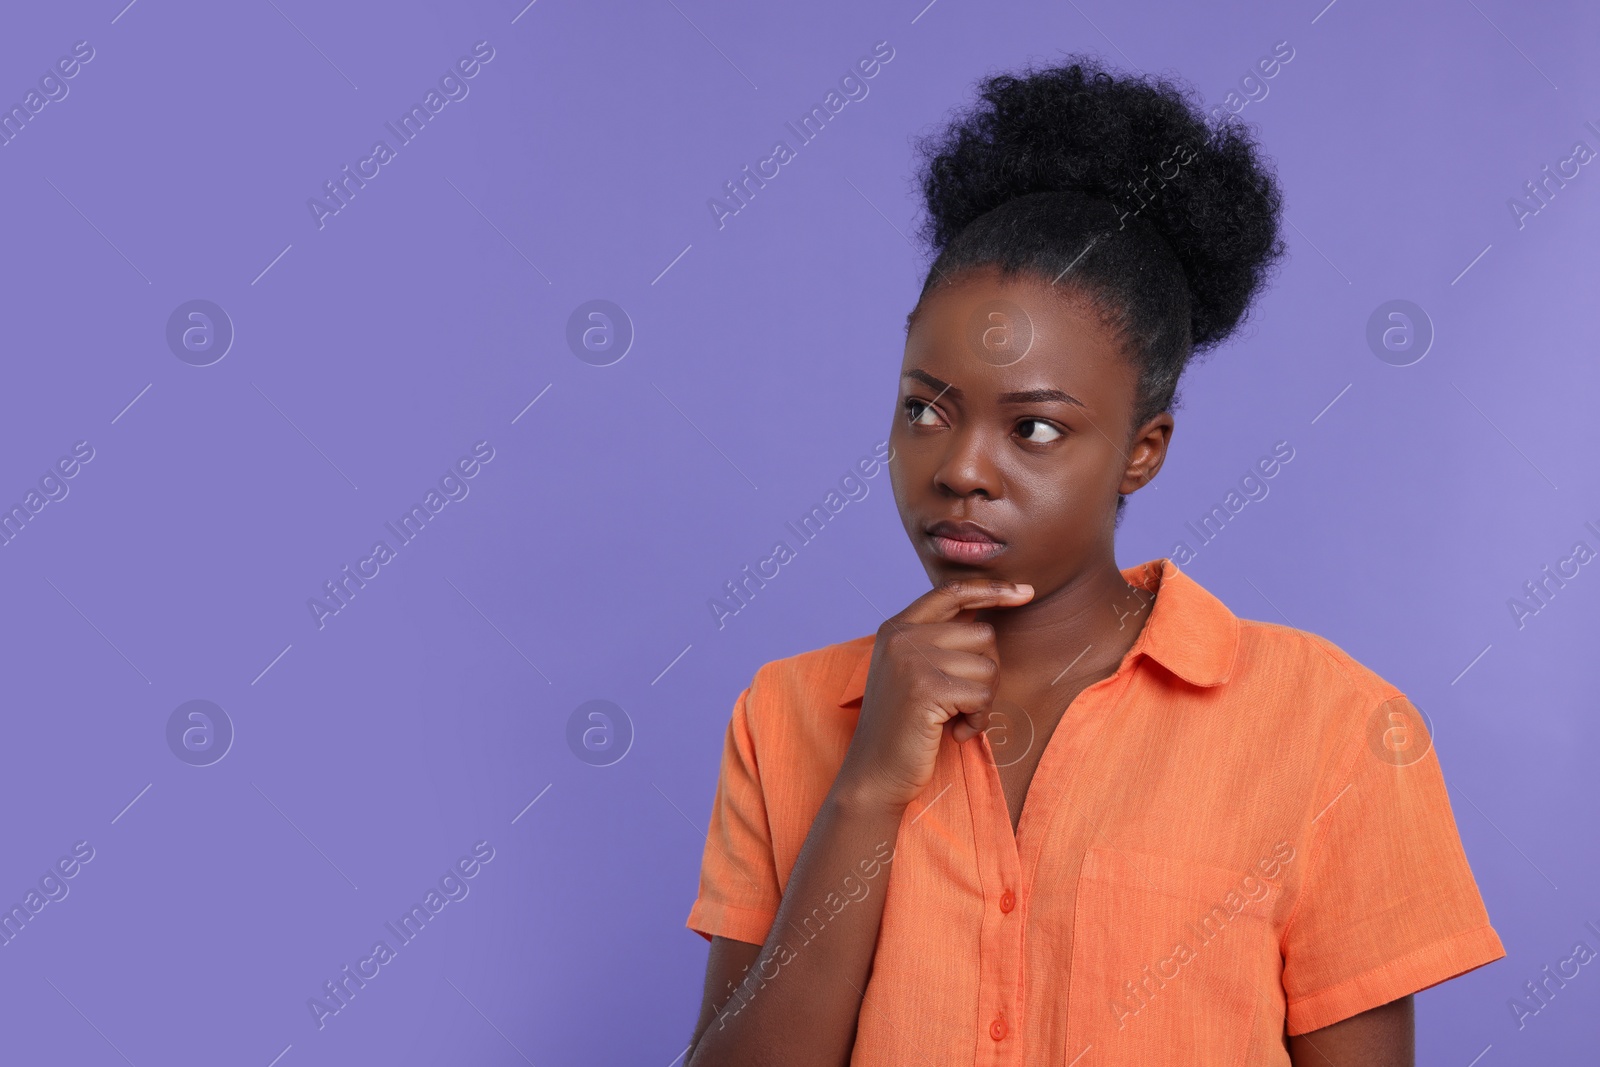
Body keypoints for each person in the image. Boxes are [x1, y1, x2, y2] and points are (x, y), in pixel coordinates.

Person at [682, 54, 1504, 1066]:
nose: (961, 468)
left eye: (1032, 429)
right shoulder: (788, 712)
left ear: (1140, 450)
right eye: (924, 409)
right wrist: (865, 790)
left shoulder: (1334, 728)